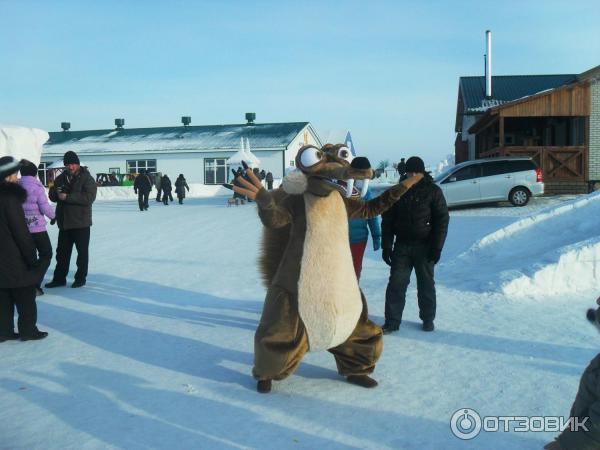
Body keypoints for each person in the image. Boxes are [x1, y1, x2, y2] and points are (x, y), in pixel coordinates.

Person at [381, 156, 449, 333]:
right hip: (402, 246)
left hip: (425, 246)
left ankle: (428, 319)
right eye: (410, 171)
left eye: (416, 172)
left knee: (426, 285)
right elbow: (387, 220)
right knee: (396, 284)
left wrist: (437, 247)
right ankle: (392, 322)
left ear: (422, 172)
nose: (412, 174)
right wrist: (387, 245)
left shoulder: (433, 191)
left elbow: (442, 220)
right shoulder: (397, 191)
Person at [0, 156, 48, 341]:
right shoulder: (10, 197)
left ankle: (4, 331)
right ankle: (28, 330)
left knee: (3, 294)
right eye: (14, 173)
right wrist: (31, 258)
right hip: (13, 256)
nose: (16, 176)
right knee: (25, 293)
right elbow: (20, 232)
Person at [46, 151, 97, 289]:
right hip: (64, 222)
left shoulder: (87, 178)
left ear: (78, 164)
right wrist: (54, 193)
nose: (71, 167)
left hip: (81, 222)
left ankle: (80, 278)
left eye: (73, 164)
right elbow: (52, 196)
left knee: (82, 254)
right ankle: (59, 278)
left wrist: (68, 197)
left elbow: (89, 198)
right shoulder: (61, 178)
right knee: (61, 254)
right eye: (68, 164)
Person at [18, 161, 55, 295]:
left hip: (21, 228)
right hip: (37, 229)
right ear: (35, 173)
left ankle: (25, 284)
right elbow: (44, 206)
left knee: (28, 257)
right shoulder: (36, 187)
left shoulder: (16, 185)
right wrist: (53, 217)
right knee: (46, 254)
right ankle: (34, 284)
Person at [348, 181, 381, 280]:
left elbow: (372, 215)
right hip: (340, 239)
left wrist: (376, 236)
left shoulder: (365, 191)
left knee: (355, 269)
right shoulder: (340, 187)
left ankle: (353, 291)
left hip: (358, 239)